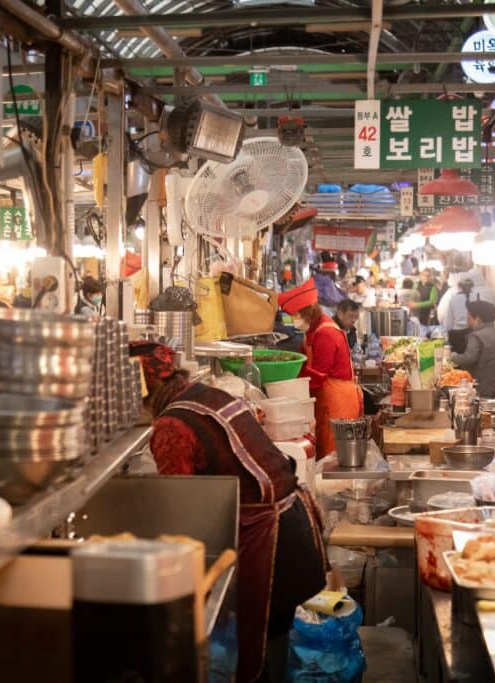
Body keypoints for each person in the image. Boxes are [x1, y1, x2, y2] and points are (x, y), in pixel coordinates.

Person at [134, 341, 329, 683]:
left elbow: (180, 505)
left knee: (260, 655)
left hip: (267, 545)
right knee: (277, 644)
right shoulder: (209, 395)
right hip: (293, 525)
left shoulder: (171, 426)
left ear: (142, 388)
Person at [279, 279, 362, 458]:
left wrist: (291, 396)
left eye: (296, 315)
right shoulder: (312, 331)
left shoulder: (326, 334)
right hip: (324, 398)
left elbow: (317, 376)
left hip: (337, 401)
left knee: (332, 457)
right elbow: (303, 364)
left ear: (307, 313)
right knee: (323, 454)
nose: (293, 320)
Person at [449, 301, 495, 399]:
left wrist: (451, 357)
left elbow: (469, 358)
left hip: (486, 392)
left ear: (477, 319)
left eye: (469, 317)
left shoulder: (477, 336)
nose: (467, 320)